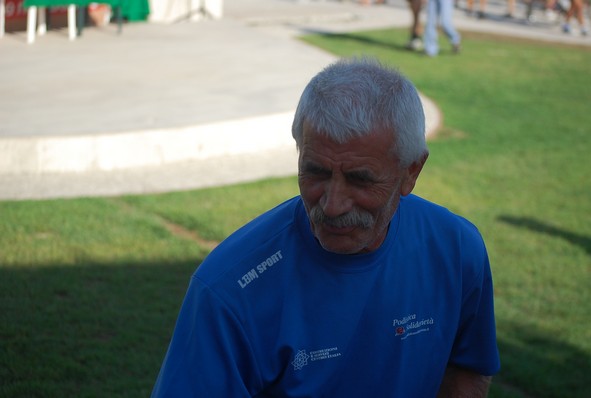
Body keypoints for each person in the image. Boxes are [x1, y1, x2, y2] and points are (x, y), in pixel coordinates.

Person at [151, 57, 500, 397]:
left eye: (360, 180)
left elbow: (467, 367)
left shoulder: (456, 249)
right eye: (315, 172)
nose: (332, 205)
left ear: (411, 172)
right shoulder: (228, 290)